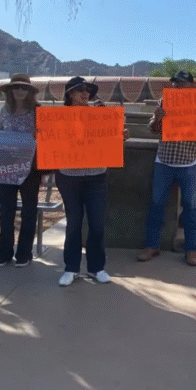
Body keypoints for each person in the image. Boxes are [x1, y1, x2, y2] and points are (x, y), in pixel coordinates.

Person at [138, 70, 196, 267]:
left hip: (189, 162)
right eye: (175, 83)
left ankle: (191, 250)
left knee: (190, 207)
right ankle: (152, 246)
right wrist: (158, 118)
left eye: (181, 83)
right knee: (156, 204)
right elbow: (153, 129)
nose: (177, 86)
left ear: (191, 85)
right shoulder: (165, 101)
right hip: (164, 161)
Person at [56, 77, 130, 286]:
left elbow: (110, 139)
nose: (85, 93)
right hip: (69, 176)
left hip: (96, 175)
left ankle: (96, 268)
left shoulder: (100, 115)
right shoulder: (58, 117)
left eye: (87, 90)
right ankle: (71, 268)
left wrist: (120, 135)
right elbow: (53, 141)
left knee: (97, 224)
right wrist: (42, 135)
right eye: (79, 90)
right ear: (70, 94)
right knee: (74, 223)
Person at [0, 73, 41, 267]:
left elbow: (50, 136)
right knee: (6, 211)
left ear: (30, 91)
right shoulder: (4, 111)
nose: (20, 91)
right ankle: (4, 252)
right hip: (7, 167)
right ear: (10, 91)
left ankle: (24, 253)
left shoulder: (38, 111)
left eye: (24, 88)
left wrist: (38, 134)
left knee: (29, 211)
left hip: (31, 167)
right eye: (16, 87)